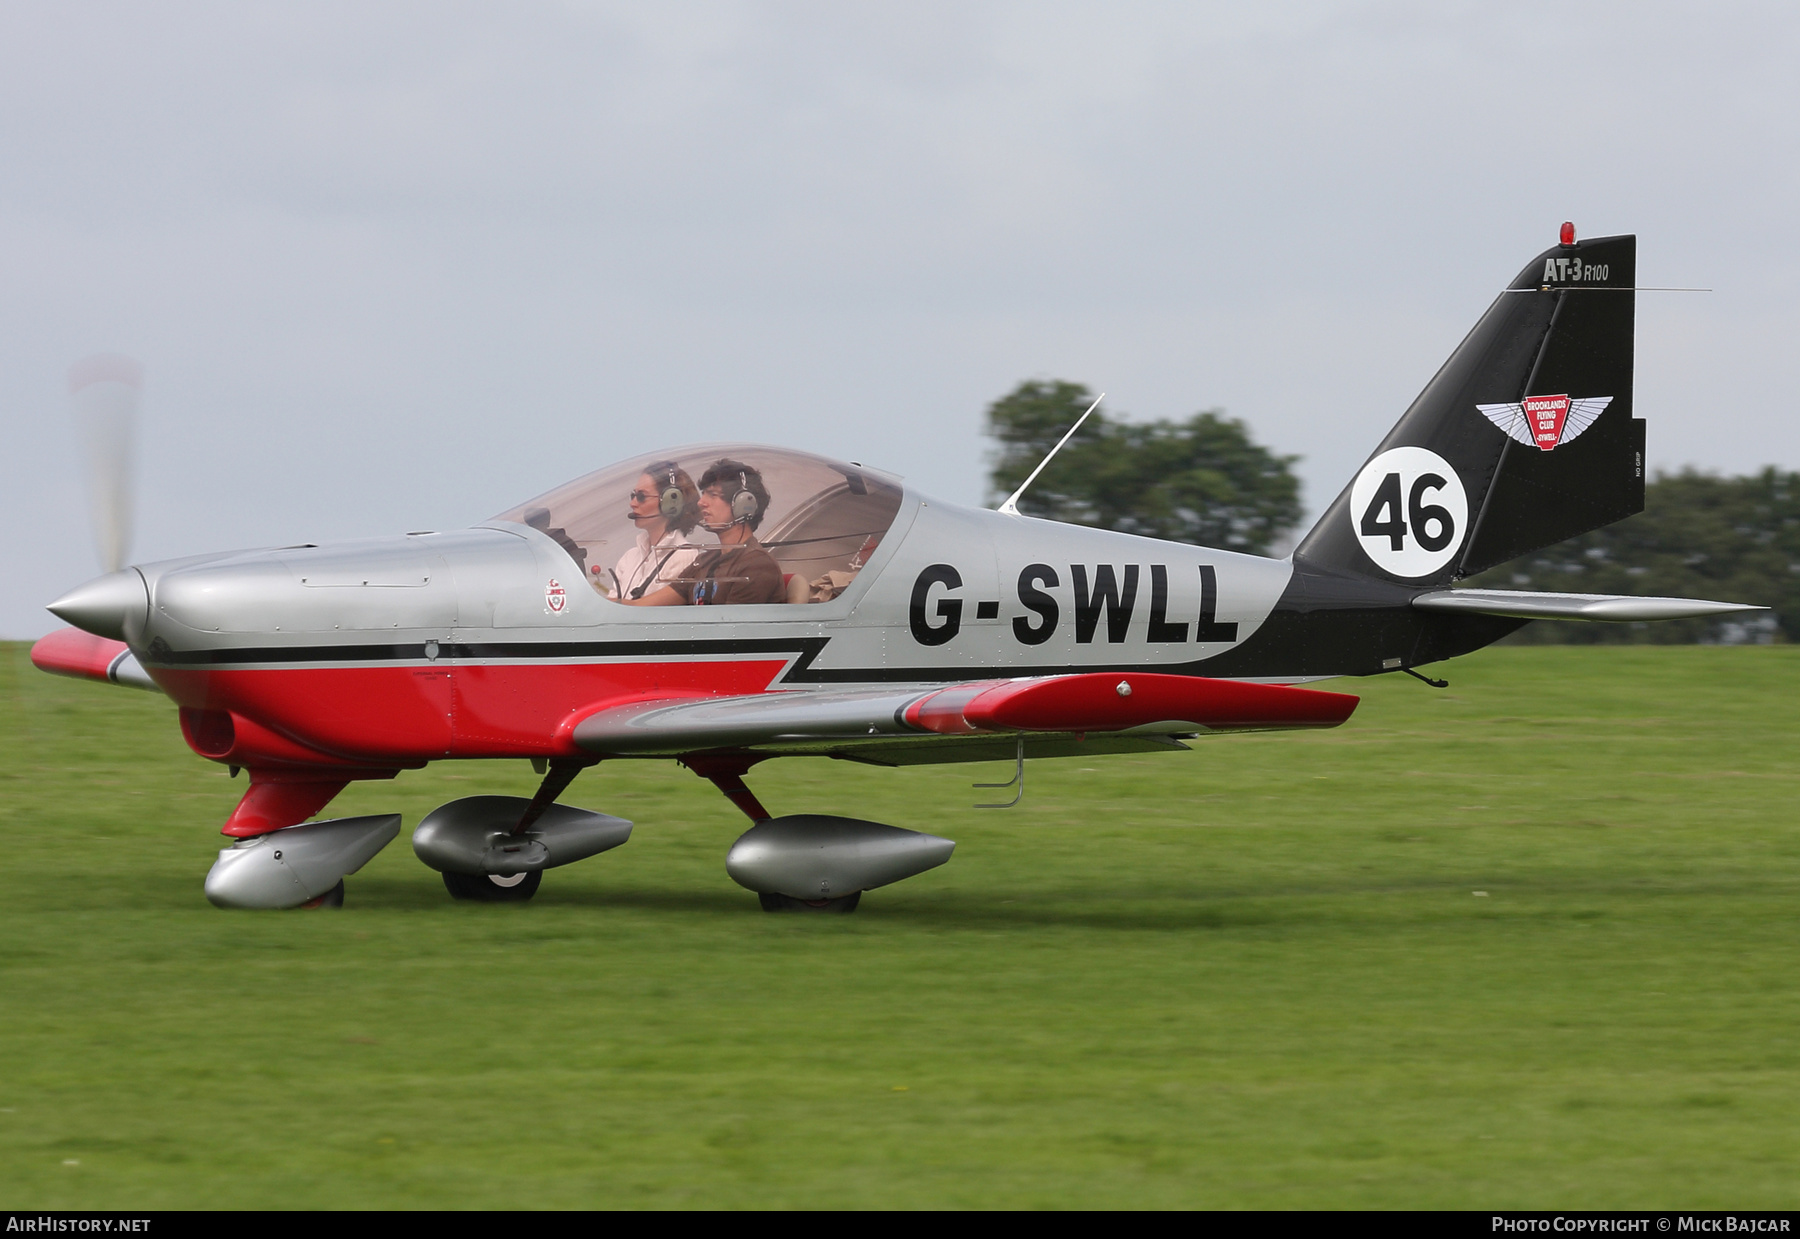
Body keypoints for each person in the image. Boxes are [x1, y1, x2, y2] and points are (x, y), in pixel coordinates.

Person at [627, 458, 786, 606]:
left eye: (713, 495)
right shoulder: (705, 561)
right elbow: (641, 606)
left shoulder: (756, 566)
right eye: (704, 494)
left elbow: (728, 632)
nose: (701, 502)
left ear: (743, 504)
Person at [600, 461, 702, 602]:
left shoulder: (685, 557)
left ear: (671, 503)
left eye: (642, 497)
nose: (633, 503)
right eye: (633, 496)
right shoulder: (630, 558)